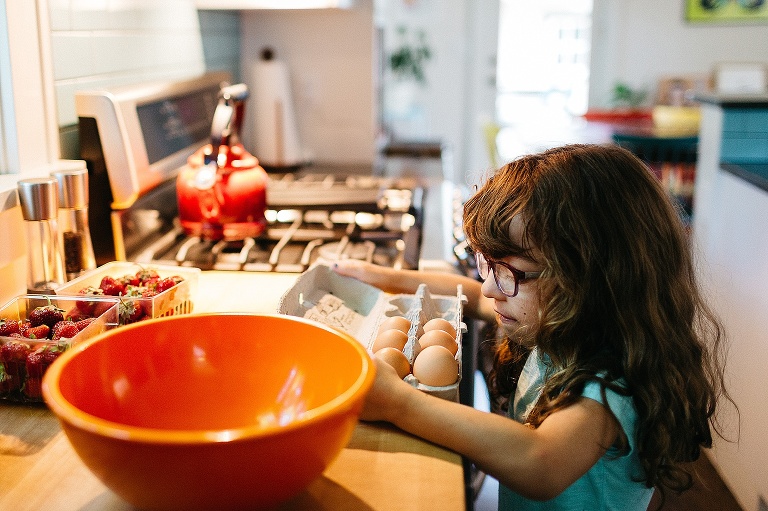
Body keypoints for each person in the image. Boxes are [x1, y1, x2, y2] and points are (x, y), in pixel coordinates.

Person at [333, 143, 732, 510]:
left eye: (511, 271)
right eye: (487, 264)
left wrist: (398, 403)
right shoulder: (556, 329)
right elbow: (473, 294)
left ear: (594, 281)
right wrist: (383, 277)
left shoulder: (607, 387)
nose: (491, 286)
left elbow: (539, 461)